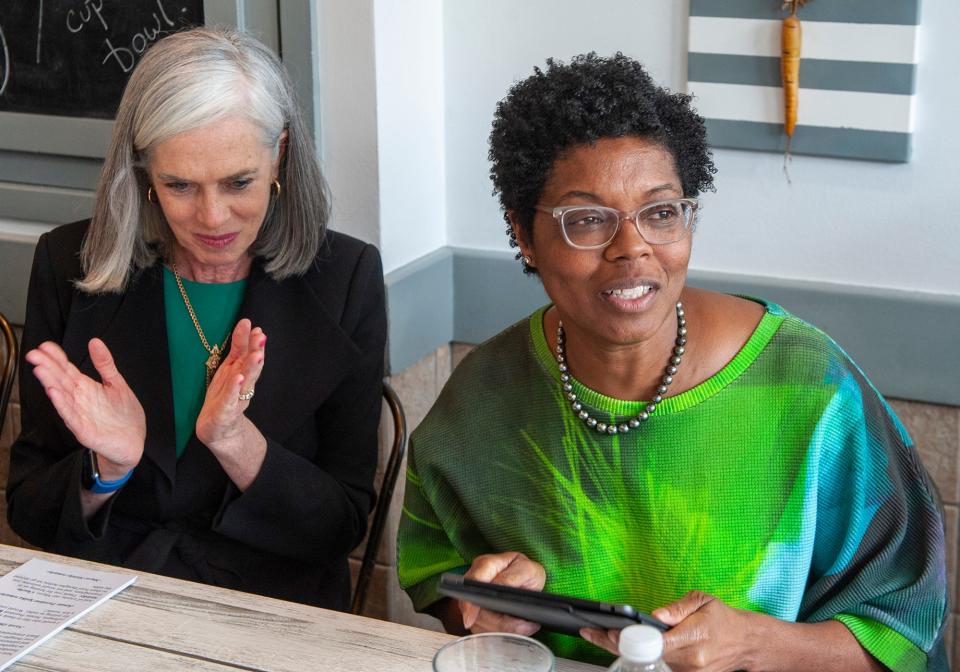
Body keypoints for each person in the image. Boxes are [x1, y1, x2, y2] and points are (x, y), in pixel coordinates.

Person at [396, 54, 948, 670]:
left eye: (661, 213)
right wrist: (489, 609)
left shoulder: (806, 386)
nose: (632, 249)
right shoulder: (484, 397)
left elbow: (904, 635)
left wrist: (756, 643)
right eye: (587, 220)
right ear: (523, 233)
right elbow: (438, 583)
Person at [6, 26, 386, 611]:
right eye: (179, 185)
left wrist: (236, 443)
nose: (213, 217)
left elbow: (341, 526)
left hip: (275, 610)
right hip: (109, 601)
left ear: (278, 153)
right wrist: (107, 467)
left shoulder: (347, 278)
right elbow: (29, 509)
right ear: (143, 174)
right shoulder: (67, 264)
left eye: (239, 182)